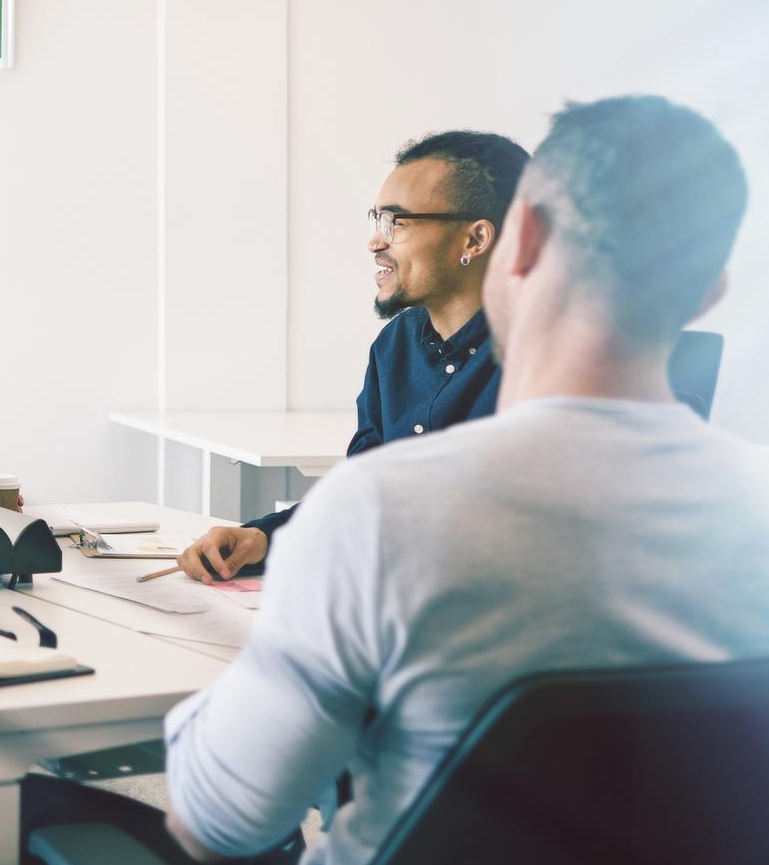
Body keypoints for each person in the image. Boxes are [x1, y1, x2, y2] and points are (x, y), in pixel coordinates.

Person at [17, 97, 769, 865]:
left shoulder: (383, 516)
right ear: (709, 287)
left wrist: (283, 658)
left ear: (516, 241)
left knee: (33, 831)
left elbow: (215, 821)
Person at [178, 129, 529, 585]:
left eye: (397, 224)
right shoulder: (395, 346)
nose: (376, 243)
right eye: (377, 222)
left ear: (475, 240)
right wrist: (262, 539)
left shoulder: (547, 358)